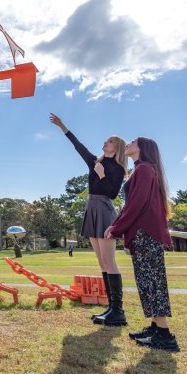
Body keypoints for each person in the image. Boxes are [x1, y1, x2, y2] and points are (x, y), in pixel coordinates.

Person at [49, 113, 128, 326]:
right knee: (101, 262)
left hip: (104, 208)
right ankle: (111, 308)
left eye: (110, 141)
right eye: (106, 140)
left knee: (110, 262)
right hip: (90, 208)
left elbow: (112, 193)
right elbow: (78, 146)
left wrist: (102, 174)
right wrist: (63, 126)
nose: (105, 142)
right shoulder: (95, 162)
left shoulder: (118, 168)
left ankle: (118, 311)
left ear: (117, 147)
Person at [105, 137, 179, 352]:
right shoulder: (141, 170)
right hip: (141, 234)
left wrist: (116, 227)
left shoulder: (145, 169)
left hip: (146, 234)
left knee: (153, 281)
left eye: (133, 142)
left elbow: (136, 204)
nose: (128, 144)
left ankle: (164, 335)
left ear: (143, 148)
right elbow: (131, 204)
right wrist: (118, 224)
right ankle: (155, 327)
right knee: (146, 281)